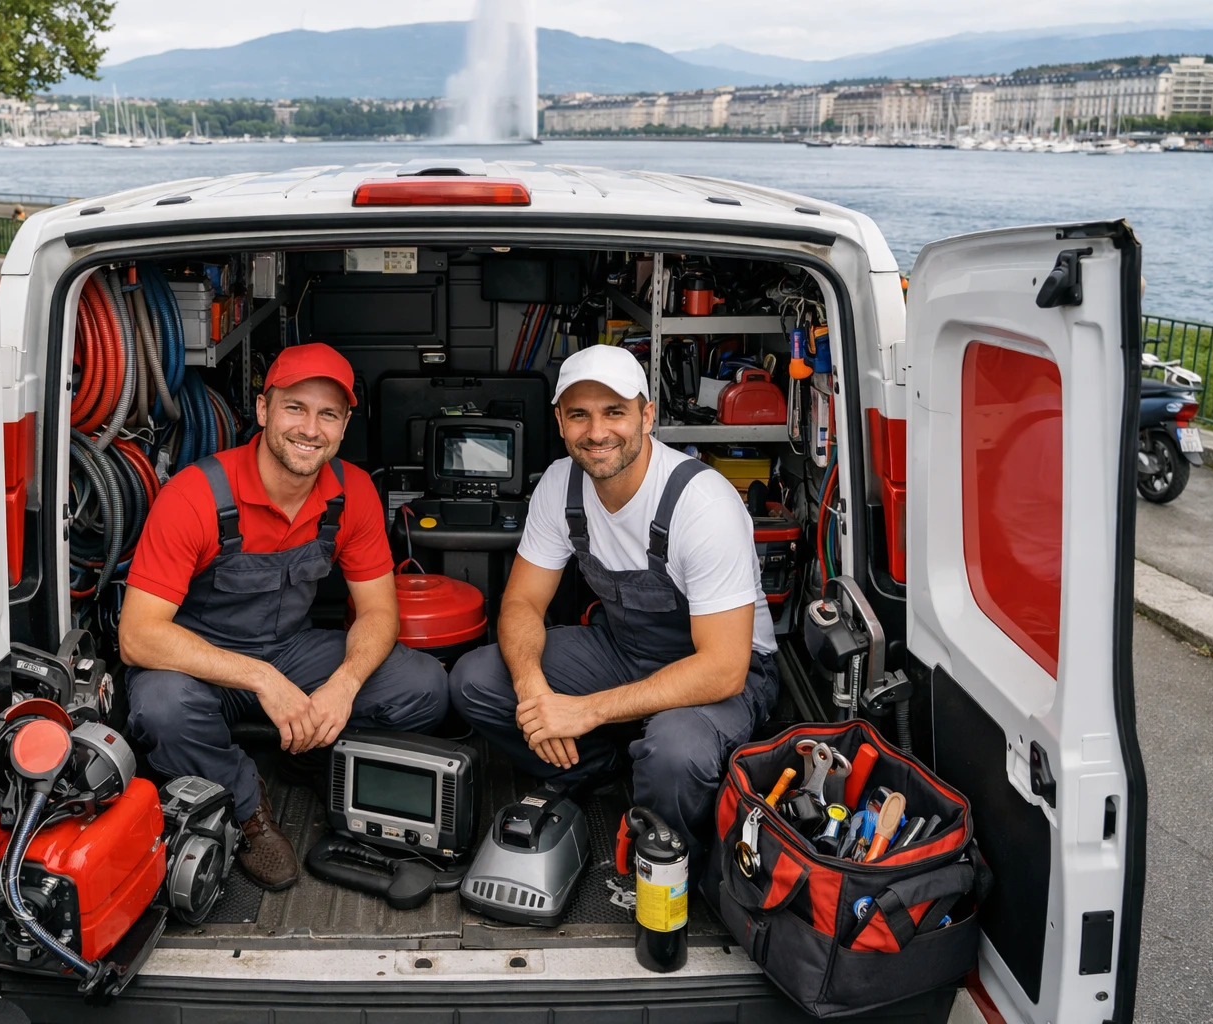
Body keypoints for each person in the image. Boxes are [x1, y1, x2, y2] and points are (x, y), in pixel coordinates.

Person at [119, 343, 449, 890]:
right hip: (199, 664)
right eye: (295, 407)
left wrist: (342, 686)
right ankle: (245, 808)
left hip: (292, 650)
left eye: (328, 414)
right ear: (264, 409)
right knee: (161, 712)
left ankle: (315, 753)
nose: (310, 428)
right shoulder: (196, 495)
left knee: (424, 686)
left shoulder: (353, 492)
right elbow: (138, 636)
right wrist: (261, 678)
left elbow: (378, 613)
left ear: (344, 426)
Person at [450, 345, 779, 872]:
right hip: (623, 649)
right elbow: (521, 602)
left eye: (615, 412)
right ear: (560, 421)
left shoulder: (702, 504)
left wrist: (585, 711)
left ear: (647, 415)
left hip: (725, 672)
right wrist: (535, 689)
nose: (597, 432)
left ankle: (668, 868)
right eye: (579, 414)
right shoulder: (560, 484)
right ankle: (597, 765)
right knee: (477, 678)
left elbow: (723, 667)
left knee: (676, 752)